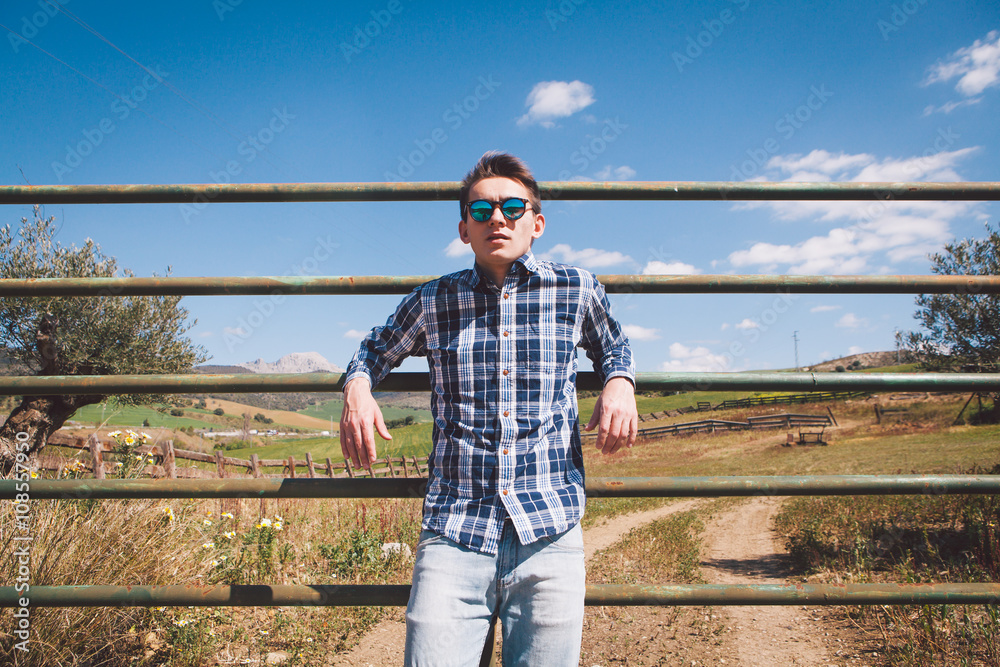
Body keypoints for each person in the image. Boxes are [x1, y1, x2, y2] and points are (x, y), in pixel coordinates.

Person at [340, 151, 637, 666]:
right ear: (464, 229)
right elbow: (372, 350)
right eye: (481, 211)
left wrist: (619, 382)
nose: (497, 218)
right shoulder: (434, 300)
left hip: (550, 530)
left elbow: (615, 345)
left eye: (512, 207)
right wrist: (358, 390)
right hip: (454, 529)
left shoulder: (576, 288)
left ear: (536, 222)